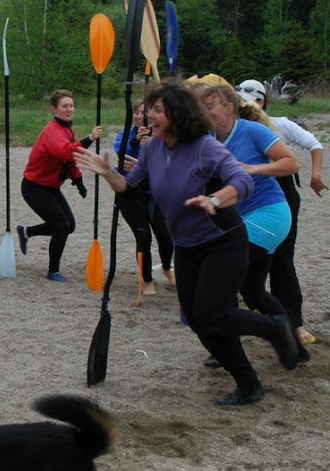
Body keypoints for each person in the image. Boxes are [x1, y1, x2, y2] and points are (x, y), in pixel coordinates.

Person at [74, 81, 298, 406]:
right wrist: (108, 172)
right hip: (187, 245)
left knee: (214, 314)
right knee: (197, 319)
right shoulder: (152, 147)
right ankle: (249, 384)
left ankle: (275, 328)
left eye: (158, 110)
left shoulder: (206, 147)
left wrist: (216, 200)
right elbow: (131, 188)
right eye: (149, 109)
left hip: (222, 241)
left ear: (178, 115)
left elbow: (242, 180)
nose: (149, 115)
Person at [201, 85, 308, 362]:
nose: (206, 111)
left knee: (221, 277)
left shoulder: (252, 131)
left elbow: (291, 163)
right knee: (253, 291)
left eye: (210, 105)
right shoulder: (209, 139)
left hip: (270, 214)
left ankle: (225, 341)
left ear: (228, 107)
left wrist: (254, 169)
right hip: (243, 217)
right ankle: (295, 345)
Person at [236, 79, 327, 345]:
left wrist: (316, 175)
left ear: (260, 101)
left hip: (281, 200)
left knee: (282, 261)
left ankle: (294, 323)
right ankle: (255, 319)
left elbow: (314, 144)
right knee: (238, 262)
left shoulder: (280, 124)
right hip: (245, 199)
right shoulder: (230, 130)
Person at [17, 89, 102, 281]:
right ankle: (53, 271)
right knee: (61, 225)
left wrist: (78, 180)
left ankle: (26, 232)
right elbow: (66, 153)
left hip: (51, 186)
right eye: (64, 106)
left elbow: (69, 161)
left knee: (69, 225)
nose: (69, 109)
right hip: (34, 188)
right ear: (54, 109)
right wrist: (89, 138)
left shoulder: (66, 129)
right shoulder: (52, 131)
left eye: (71, 105)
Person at [113, 101, 175, 293]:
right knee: (143, 236)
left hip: (154, 193)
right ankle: (146, 279)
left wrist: (152, 147)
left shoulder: (162, 136)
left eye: (144, 113)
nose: (141, 116)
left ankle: (166, 267)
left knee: (165, 236)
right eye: (138, 113)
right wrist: (135, 143)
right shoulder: (124, 135)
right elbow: (122, 157)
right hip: (131, 194)